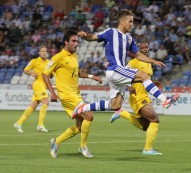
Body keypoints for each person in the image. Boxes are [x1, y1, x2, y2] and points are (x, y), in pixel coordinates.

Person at [72, 9, 179, 118]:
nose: (132, 24)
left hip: (118, 73)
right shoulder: (111, 32)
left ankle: (83, 107)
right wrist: (85, 35)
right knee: (143, 75)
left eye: (132, 22)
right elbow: (93, 37)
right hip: (115, 69)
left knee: (115, 105)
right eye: (130, 21)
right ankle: (164, 100)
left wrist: (153, 61)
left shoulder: (129, 38)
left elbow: (138, 54)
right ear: (122, 21)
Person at [42, 30, 102, 158]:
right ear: (66, 42)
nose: (76, 44)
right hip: (67, 95)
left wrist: (92, 76)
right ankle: (83, 147)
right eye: (73, 41)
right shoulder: (58, 57)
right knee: (89, 116)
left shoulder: (74, 56)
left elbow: (77, 73)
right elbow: (45, 74)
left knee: (80, 127)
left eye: (77, 41)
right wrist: (52, 93)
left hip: (76, 94)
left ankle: (56, 142)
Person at [110, 41, 163, 155]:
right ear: (137, 50)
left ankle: (122, 113)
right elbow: (121, 76)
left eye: (147, 47)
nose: (146, 49)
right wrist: (128, 86)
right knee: (154, 119)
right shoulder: (133, 62)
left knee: (146, 126)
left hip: (145, 95)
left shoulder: (148, 63)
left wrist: (153, 82)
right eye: (143, 47)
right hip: (137, 96)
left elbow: (143, 79)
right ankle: (148, 149)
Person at [14, 45, 50, 133]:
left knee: (34, 105)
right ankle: (40, 125)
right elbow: (25, 70)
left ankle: (18, 123)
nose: (44, 53)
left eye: (45, 51)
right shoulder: (34, 61)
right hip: (38, 84)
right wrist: (32, 73)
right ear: (39, 52)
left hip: (43, 85)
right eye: (42, 51)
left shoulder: (49, 62)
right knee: (45, 101)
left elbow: (50, 73)